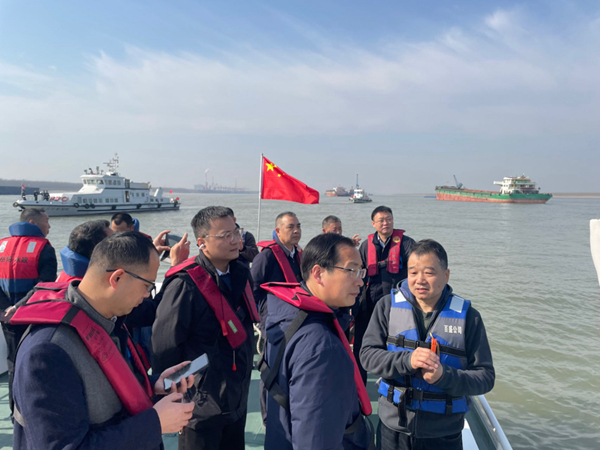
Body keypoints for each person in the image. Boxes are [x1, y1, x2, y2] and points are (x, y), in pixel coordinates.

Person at [10, 231, 196, 449]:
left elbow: (110, 383)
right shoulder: (47, 351)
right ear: (117, 278)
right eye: (147, 286)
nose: (147, 295)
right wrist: (155, 423)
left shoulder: (107, 322)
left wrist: (151, 384)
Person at [360, 239, 495, 450]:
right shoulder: (386, 306)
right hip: (393, 430)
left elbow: (485, 378)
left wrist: (444, 376)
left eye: (429, 273)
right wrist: (407, 360)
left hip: (444, 434)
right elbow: (367, 356)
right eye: (413, 272)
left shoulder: (469, 317)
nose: (419, 280)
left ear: (446, 275)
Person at [152, 206, 259, 450]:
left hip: (237, 398)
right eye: (225, 235)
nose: (235, 240)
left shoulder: (242, 274)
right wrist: (177, 398)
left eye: (236, 232)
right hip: (200, 406)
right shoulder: (185, 284)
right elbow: (164, 347)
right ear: (202, 243)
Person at [259, 233, 373, 449]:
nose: (360, 281)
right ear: (318, 273)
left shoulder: (285, 315)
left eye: (361, 271)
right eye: (351, 271)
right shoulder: (322, 346)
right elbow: (316, 440)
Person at [0, 208, 57, 414]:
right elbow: (45, 286)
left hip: (7, 318)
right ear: (33, 223)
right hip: (33, 315)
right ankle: (34, 410)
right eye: (47, 221)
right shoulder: (44, 249)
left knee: (13, 362)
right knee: (35, 361)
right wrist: (19, 307)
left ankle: (14, 411)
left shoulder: (1, 246)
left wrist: (4, 309)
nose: (49, 226)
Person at [354, 205, 416, 383]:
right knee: (361, 343)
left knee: (397, 344)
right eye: (381, 220)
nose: (385, 223)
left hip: (397, 304)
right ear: (373, 223)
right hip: (369, 303)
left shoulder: (407, 244)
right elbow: (357, 273)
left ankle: (395, 382)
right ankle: (360, 386)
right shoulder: (365, 246)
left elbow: (415, 269)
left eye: (389, 219)